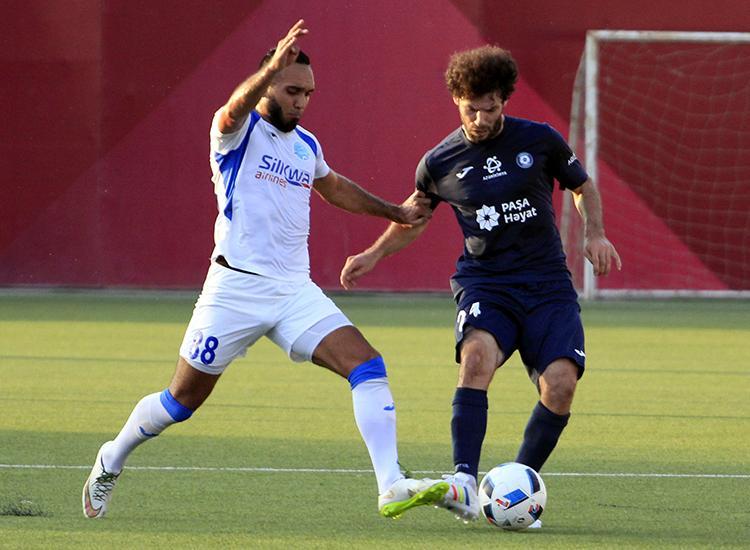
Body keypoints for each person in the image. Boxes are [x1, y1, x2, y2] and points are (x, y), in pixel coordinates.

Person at [82, 19, 448, 520]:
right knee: (180, 402)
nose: (301, 102)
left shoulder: (306, 146)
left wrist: (396, 212)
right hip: (234, 288)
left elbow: (333, 187)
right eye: (292, 90)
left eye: (308, 94)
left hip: (293, 291)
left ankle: (390, 485)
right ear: (269, 84)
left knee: (367, 366)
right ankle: (112, 456)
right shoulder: (234, 133)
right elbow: (234, 108)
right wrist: (271, 68)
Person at [340, 45, 621, 525]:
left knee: (560, 387)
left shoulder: (540, 140)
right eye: (471, 108)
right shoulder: (439, 161)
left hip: (547, 285)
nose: (480, 119)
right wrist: (373, 253)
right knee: (475, 361)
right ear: (456, 99)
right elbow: (414, 217)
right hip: (486, 284)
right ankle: (465, 483)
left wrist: (594, 233)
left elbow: (583, 187)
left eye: (490, 108)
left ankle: (516, 487)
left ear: (504, 100)